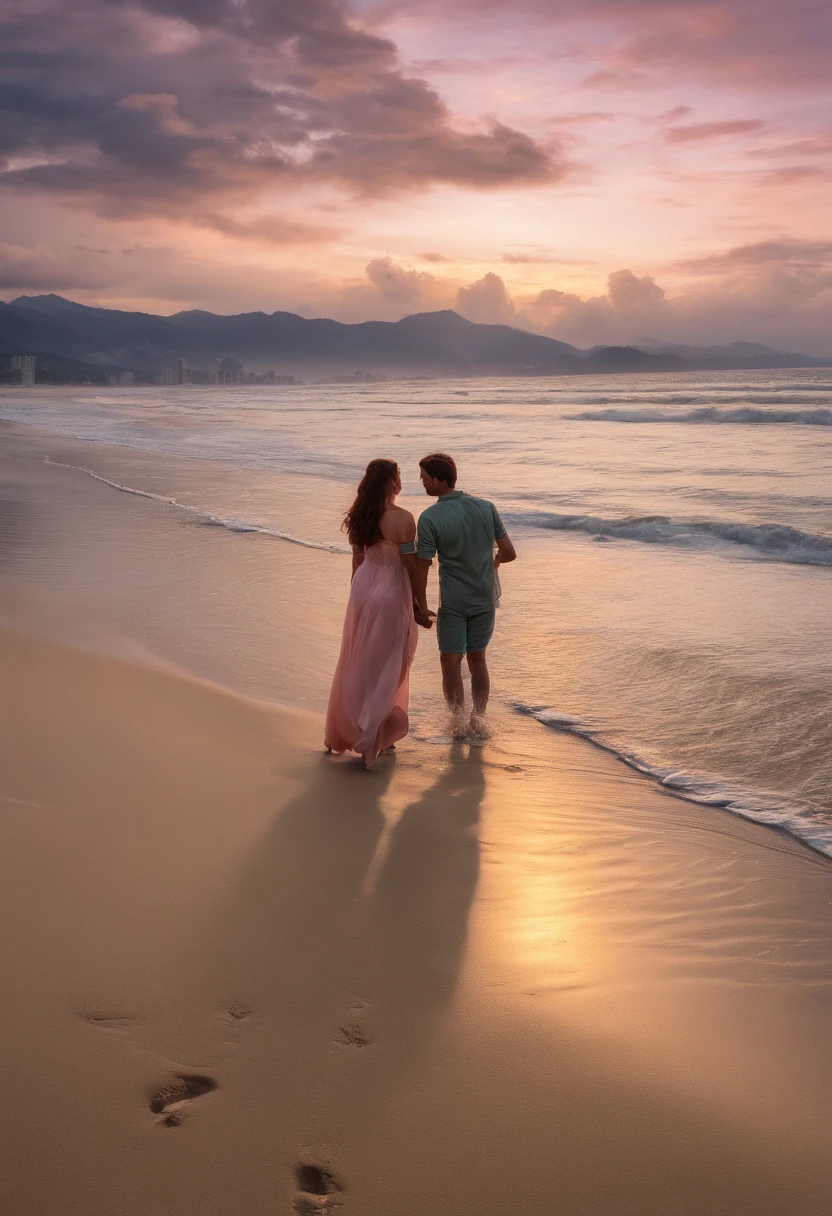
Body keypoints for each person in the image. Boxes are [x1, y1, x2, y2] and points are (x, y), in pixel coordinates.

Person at [325, 459, 432, 769]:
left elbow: (358, 560)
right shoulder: (403, 518)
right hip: (391, 590)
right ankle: (375, 735)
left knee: (358, 660)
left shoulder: (360, 514)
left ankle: (354, 729)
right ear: (392, 483)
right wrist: (420, 606)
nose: (401, 482)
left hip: (362, 588)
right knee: (390, 662)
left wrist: (356, 597)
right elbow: (410, 566)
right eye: (399, 477)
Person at [411, 452, 516, 735]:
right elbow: (508, 553)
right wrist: (493, 562)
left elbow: (423, 565)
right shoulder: (487, 507)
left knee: (450, 661)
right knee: (478, 658)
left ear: (439, 479)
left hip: (454, 602)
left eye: (424, 478)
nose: (422, 484)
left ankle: (457, 721)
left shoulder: (430, 517)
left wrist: (420, 604)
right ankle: (478, 719)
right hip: (484, 599)